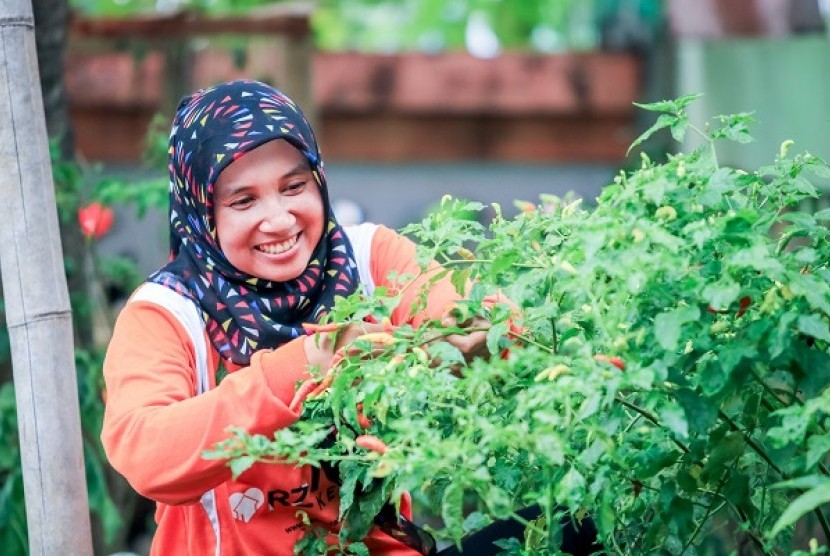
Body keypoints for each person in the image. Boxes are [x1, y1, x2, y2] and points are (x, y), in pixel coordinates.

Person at [101, 79, 498, 555]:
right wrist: (310, 360)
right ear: (202, 214)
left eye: (294, 187)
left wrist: (476, 339)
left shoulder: (368, 259)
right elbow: (146, 454)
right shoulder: (168, 313)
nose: (280, 219)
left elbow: (483, 321)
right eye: (244, 200)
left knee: (567, 533)